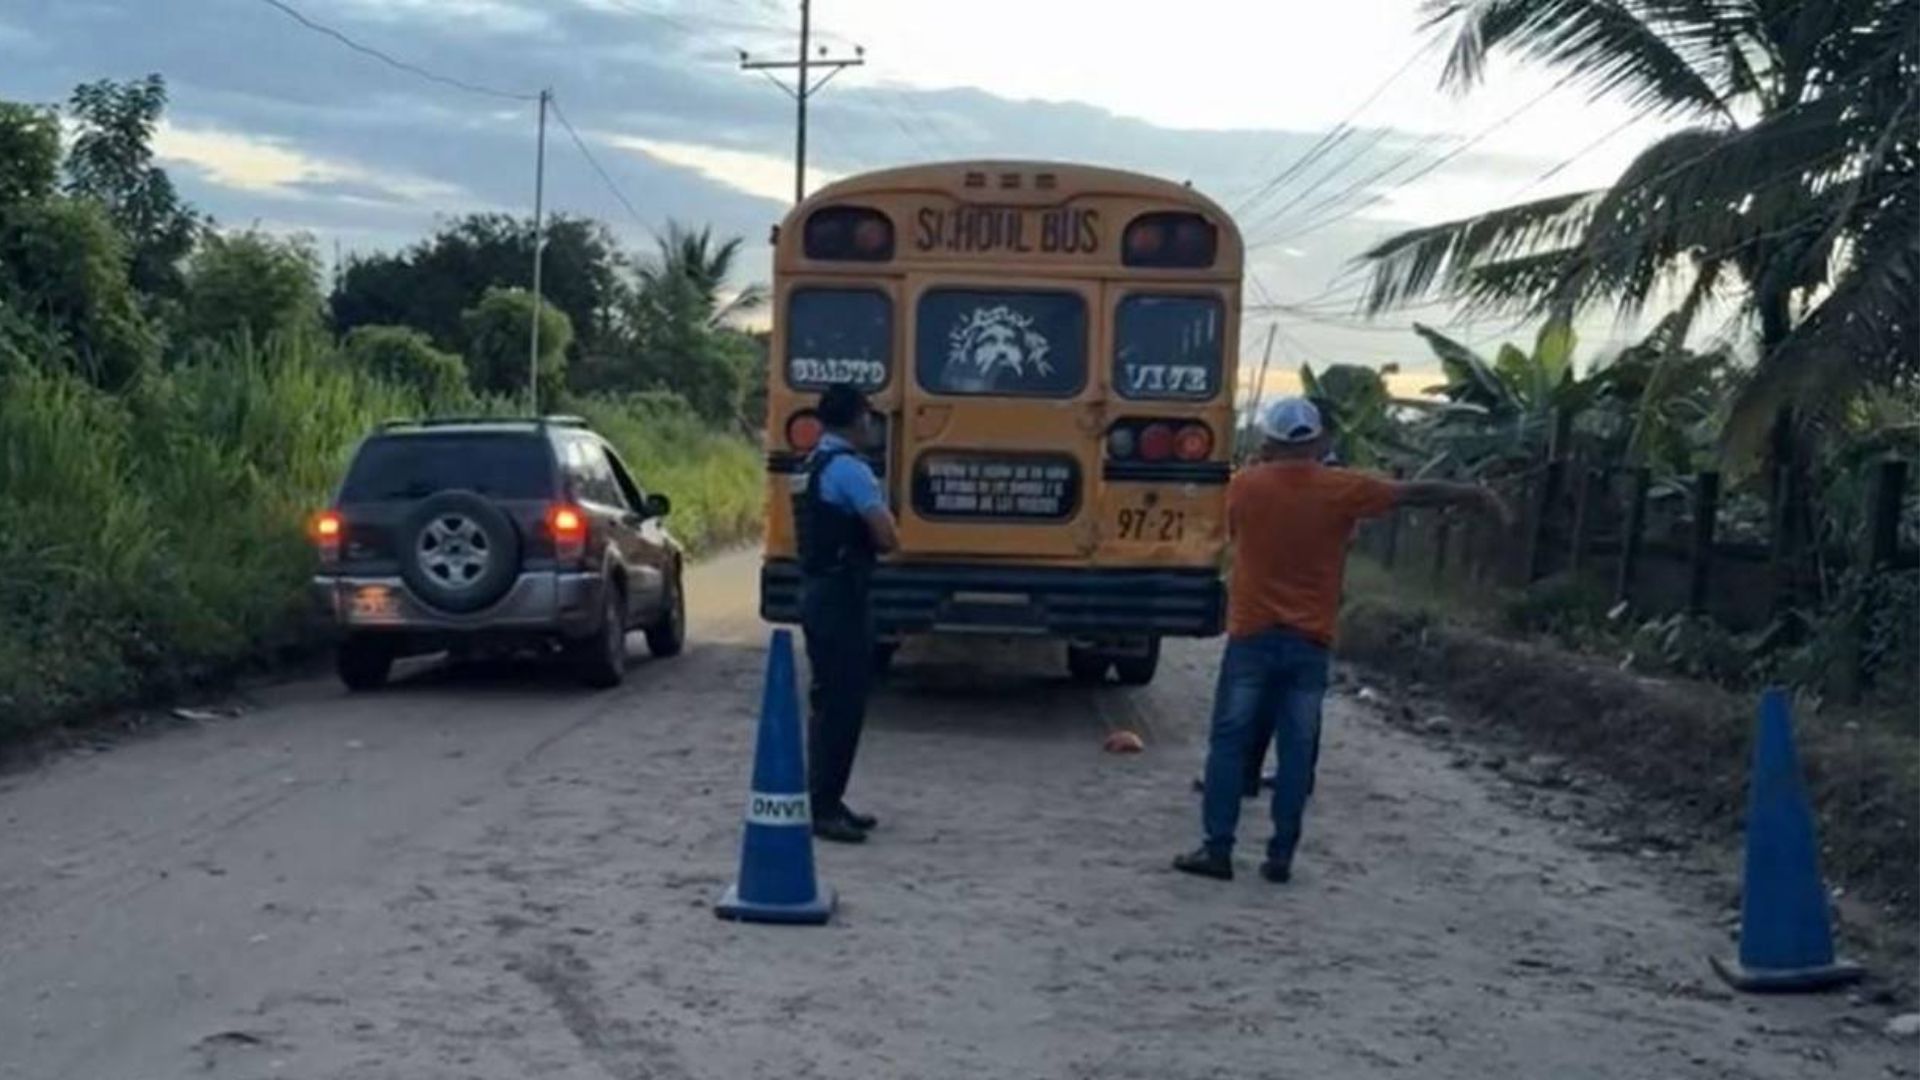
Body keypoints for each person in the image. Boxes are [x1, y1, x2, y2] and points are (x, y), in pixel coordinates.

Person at [1173, 397, 1509, 883]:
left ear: (1270, 441)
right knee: (1297, 750)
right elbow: (1412, 492)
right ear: (1315, 440)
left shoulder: (1245, 487)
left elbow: (1216, 532)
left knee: (1228, 744)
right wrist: (1473, 495)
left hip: (1251, 636)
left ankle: (1217, 849)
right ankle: (1280, 856)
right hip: (1311, 639)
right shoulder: (1342, 489)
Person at [792, 384, 900, 844]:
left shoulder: (813, 462)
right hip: (842, 596)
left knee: (829, 700)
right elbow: (887, 535)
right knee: (843, 703)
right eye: (868, 416)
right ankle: (823, 808)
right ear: (857, 419)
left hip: (819, 589)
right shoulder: (851, 471)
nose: (872, 424)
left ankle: (827, 800)